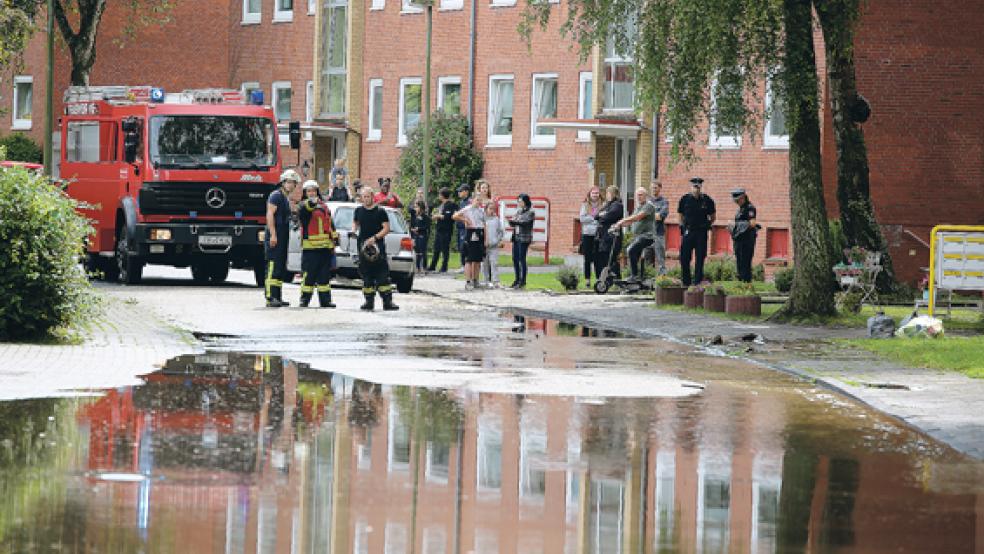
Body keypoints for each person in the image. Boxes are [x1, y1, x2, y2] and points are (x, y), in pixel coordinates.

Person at [353, 187, 399, 311]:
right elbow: (356, 223)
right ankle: (368, 301)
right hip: (363, 247)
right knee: (366, 276)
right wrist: (353, 231)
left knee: (382, 275)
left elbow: (386, 228)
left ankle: (387, 302)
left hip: (378, 247)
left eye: (368, 196)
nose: (366, 199)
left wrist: (375, 238)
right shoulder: (358, 210)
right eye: (363, 197)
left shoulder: (380, 211)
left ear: (372, 196)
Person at [297, 180, 338, 308]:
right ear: (305, 193)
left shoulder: (324, 206)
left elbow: (330, 224)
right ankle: (304, 300)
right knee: (309, 276)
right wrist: (311, 202)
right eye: (309, 191)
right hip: (310, 249)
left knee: (324, 277)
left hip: (325, 248)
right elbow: (306, 209)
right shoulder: (303, 205)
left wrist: (334, 239)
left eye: (314, 191)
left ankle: (325, 301)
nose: (312, 193)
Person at [264, 169, 300, 307]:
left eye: (293, 183)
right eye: (289, 182)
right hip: (276, 236)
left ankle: (277, 296)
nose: (291, 185)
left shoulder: (285, 198)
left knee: (280, 267)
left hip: (283, 236)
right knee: (273, 267)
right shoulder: (275, 196)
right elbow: (270, 215)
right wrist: (273, 234)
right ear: (283, 182)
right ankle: (270, 297)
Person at [677, 177, 716, 286]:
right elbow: (680, 215)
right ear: (691, 187)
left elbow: (713, 216)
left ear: (701, 187)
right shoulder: (685, 199)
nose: (696, 189)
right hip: (688, 231)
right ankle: (686, 282)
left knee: (700, 258)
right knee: (684, 258)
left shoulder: (707, 200)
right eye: (695, 186)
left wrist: (707, 225)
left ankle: (697, 282)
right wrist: (682, 227)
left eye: (698, 187)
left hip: (701, 233)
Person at [614, 187, 658, 282]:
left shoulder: (648, 206)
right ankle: (636, 279)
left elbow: (637, 217)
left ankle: (634, 276)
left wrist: (622, 220)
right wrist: (618, 225)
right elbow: (630, 222)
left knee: (630, 250)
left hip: (647, 236)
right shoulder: (638, 207)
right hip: (638, 236)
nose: (639, 197)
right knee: (634, 255)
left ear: (646, 196)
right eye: (637, 195)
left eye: (641, 195)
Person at [453, 195, 486, 289]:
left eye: (480, 200)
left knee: (477, 259)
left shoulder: (481, 211)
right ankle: (468, 281)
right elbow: (455, 216)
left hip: (479, 232)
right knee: (469, 259)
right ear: (472, 200)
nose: (478, 202)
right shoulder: (467, 209)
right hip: (470, 232)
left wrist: (485, 238)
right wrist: (465, 219)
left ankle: (476, 280)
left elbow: (484, 224)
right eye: (477, 200)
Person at [729, 188, 759, 282]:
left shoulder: (750, 208)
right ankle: (740, 282)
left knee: (745, 262)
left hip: (747, 240)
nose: (737, 202)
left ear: (742, 198)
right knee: (739, 262)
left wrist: (736, 225)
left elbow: (752, 223)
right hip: (739, 239)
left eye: (738, 200)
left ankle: (746, 283)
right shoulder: (740, 209)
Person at [595, 185, 624, 280]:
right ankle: (607, 279)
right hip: (604, 236)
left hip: (612, 237)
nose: (607, 195)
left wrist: (602, 215)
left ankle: (616, 279)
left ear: (613, 194)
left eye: (608, 193)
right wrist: (601, 215)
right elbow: (596, 216)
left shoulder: (617, 205)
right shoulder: (607, 205)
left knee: (612, 258)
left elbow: (608, 217)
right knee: (604, 257)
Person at [507, 193, 535, 289]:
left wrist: (515, 222)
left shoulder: (530, 212)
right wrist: (511, 222)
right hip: (516, 237)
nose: (519, 203)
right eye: (518, 201)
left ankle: (523, 280)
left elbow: (525, 223)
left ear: (526, 202)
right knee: (515, 258)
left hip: (524, 238)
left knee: (521, 259)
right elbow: (514, 221)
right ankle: (517, 278)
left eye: (521, 201)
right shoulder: (518, 211)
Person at [579, 186, 603, 288]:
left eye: (597, 193)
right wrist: (594, 218)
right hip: (587, 234)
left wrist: (592, 218)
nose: (595, 195)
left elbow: (603, 218)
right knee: (587, 258)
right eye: (593, 193)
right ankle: (587, 279)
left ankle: (598, 279)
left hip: (598, 234)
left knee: (598, 258)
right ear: (590, 194)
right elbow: (582, 218)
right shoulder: (585, 205)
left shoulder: (603, 205)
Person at [428, 187, 457, 272]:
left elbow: (449, 216)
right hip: (439, 229)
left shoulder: (451, 205)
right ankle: (433, 265)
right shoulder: (441, 205)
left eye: (439, 194)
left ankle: (444, 266)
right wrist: (436, 216)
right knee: (436, 248)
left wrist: (439, 216)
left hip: (446, 230)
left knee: (445, 249)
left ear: (442, 195)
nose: (438, 196)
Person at [648, 180, 670, 275]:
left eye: (656, 188)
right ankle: (648, 281)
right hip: (647, 234)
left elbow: (660, 216)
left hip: (658, 234)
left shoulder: (664, 202)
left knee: (660, 259)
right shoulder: (647, 201)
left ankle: (662, 281)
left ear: (660, 188)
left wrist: (648, 215)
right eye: (652, 188)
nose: (654, 190)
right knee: (647, 259)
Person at [483, 202, 505, 287]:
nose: (492, 210)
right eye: (490, 208)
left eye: (493, 209)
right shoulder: (483, 219)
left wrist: (499, 240)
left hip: (494, 245)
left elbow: (500, 231)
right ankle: (486, 280)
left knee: (494, 263)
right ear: (486, 209)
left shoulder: (496, 219)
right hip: (485, 245)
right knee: (485, 264)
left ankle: (496, 281)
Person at [409, 199, 430, 272]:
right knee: (417, 252)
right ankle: (417, 268)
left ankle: (424, 267)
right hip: (415, 236)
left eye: (416, 207)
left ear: (421, 208)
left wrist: (419, 229)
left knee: (423, 252)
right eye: (415, 207)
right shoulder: (415, 216)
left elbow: (427, 227)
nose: (415, 209)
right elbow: (413, 225)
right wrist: (413, 229)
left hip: (423, 236)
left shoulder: (425, 217)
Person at [455, 184, 472, 269]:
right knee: (460, 246)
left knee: (464, 246)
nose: (459, 193)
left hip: (465, 228)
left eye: (460, 191)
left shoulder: (469, 202)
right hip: (460, 227)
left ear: (466, 192)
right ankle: (463, 265)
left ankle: (465, 265)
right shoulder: (461, 202)